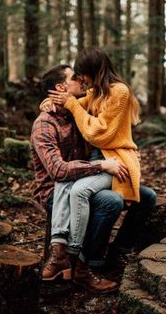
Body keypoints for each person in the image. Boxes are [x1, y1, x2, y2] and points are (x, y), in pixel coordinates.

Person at [47, 47, 157, 257]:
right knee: (113, 200)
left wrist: (71, 104)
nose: (81, 79)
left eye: (82, 74)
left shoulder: (119, 92)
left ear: (93, 70)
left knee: (148, 198)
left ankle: (119, 249)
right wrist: (50, 102)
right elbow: (74, 105)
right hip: (100, 160)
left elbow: (100, 133)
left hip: (115, 159)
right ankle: (90, 257)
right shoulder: (95, 92)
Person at [31, 64, 125, 293]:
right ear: (61, 87)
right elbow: (58, 171)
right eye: (75, 77)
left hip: (83, 183)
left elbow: (109, 124)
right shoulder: (44, 123)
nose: (81, 80)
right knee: (109, 202)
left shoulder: (79, 113)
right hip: (56, 192)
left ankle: (94, 261)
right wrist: (101, 165)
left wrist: (126, 153)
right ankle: (80, 266)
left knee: (143, 197)